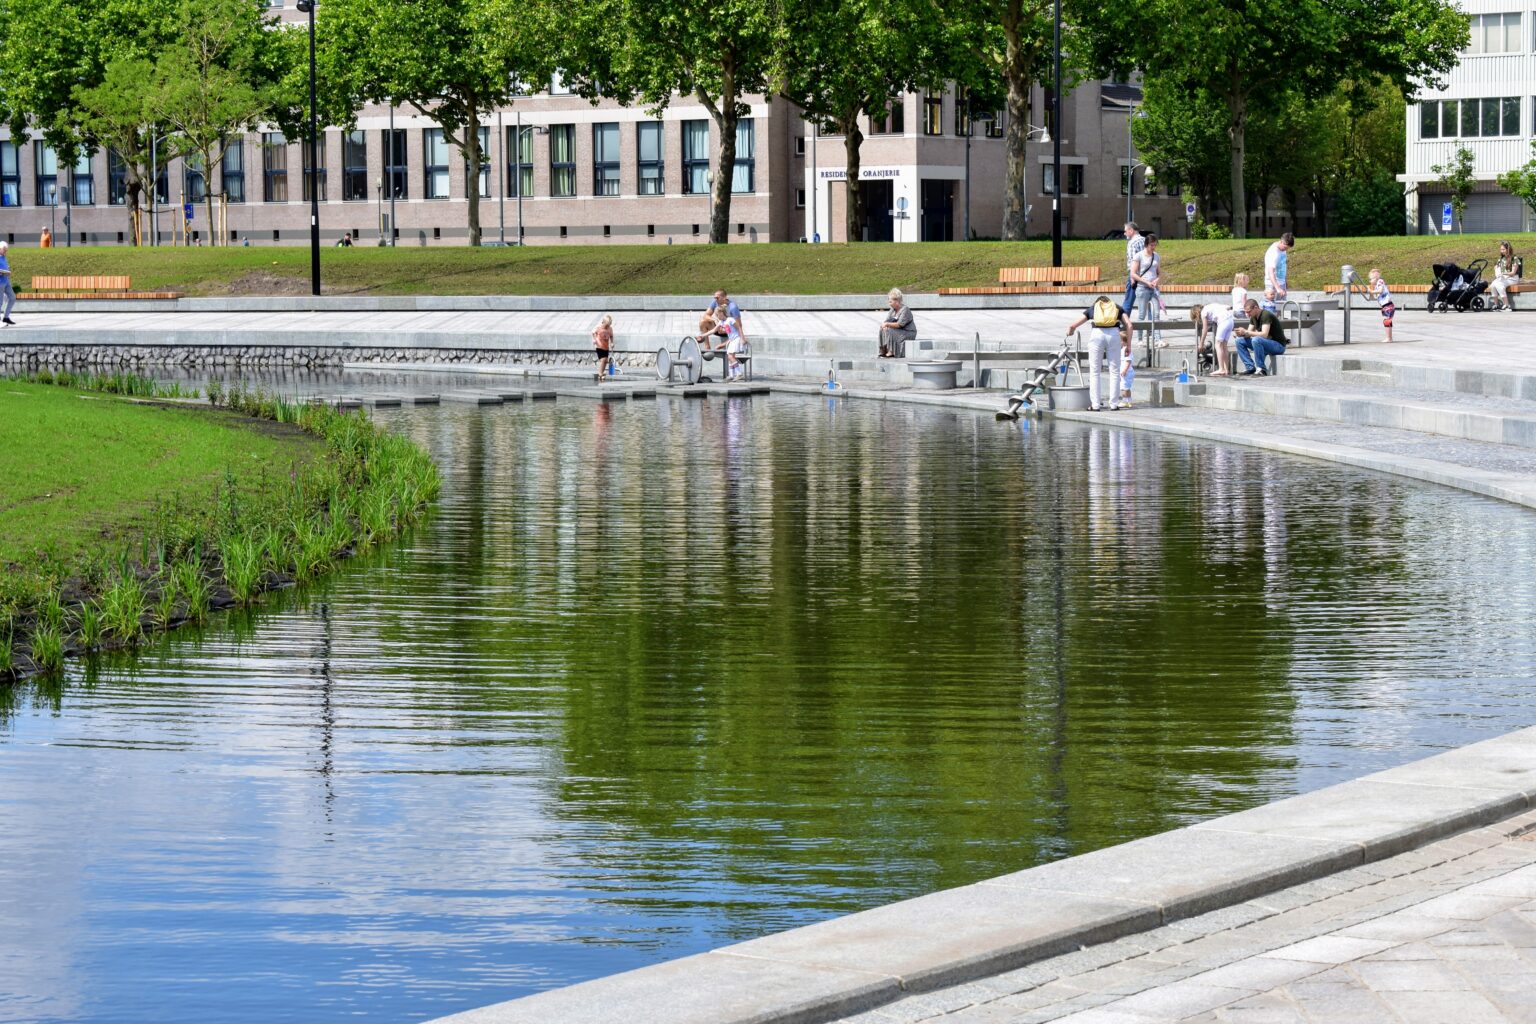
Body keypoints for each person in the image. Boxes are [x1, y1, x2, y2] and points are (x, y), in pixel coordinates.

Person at [1066, 295, 1132, 411]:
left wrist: (1070, 332)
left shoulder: (1094, 308)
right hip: (1114, 335)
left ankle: (1095, 405)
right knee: (1115, 371)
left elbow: (1073, 325)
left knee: (1095, 371)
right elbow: (1129, 325)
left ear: (1099, 303)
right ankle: (1114, 404)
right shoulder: (1117, 308)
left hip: (1097, 334)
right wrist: (1129, 345)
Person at [1234, 298, 1288, 376]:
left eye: (1249, 312)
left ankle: (1261, 369)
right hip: (1266, 344)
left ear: (1256, 308)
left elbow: (1264, 334)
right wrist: (1241, 334)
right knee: (1239, 340)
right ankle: (1250, 367)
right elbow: (1248, 334)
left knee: (1256, 340)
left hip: (1278, 346)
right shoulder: (1253, 317)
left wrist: (1246, 332)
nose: (1247, 314)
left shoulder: (1266, 315)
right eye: (1246, 312)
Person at [1131, 232, 1161, 351]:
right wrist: (1145, 282)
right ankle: (1139, 339)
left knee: (1156, 314)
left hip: (1153, 288)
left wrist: (1157, 281)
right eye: (1151, 245)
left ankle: (1158, 339)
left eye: (1155, 245)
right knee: (1142, 315)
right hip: (1142, 288)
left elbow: (1159, 272)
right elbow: (1133, 273)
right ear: (1146, 245)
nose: (1153, 248)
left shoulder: (1156, 256)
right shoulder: (1139, 256)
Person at [1190, 301, 1234, 376]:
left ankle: (1221, 369)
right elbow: (1228, 306)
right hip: (1230, 321)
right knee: (1224, 346)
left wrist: (1201, 343)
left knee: (1218, 345)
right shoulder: (1211, 306)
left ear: (1196, 313)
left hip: (1223, 322)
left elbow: (1205, 329)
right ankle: (1226, 369)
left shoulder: (1203, 313)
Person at [879, 288, 916, 358]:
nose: (889, 303)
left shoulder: (905, 310)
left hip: (908, 332)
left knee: (890, 330)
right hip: (898, 331)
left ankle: (891, 351)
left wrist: (887, 324)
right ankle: (884, 350)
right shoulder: (892, 310)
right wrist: (885, 325)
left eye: (890, 302)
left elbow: (900, 324)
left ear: (897, 301)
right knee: (882, 329)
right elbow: (887, 321)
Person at [1120, 222, 1145, 314]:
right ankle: (1152, 326)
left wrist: (1132, 278)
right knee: (1149, 302)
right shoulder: (1145, 240)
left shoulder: (1132, 243)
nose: (1124, 233)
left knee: (1128, 302)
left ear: (1131, 230)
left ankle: (1124, 325)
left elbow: (1132, 262)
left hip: (1135, 275)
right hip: (1147, 275)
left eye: (1125, 231)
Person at [1491, 240, 1522, 311]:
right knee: (1493, 285)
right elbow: (1498, 269)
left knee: (1499, 285)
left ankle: (1507, 305)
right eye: (1501, 249)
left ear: (1508, 249)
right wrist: (1496, 269)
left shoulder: (1515, 258)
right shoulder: (1501, 259)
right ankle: (1496, 305)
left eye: (1503, 249)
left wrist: (1503, 274)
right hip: (1504, 277)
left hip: (1513, 278)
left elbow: (1513, 273)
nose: (1502, 251)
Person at [1366, 269, 1394, 343]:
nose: (1370, 281)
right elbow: (1374, 298)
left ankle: (1389, 338)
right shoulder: (1376, 287)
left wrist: (1372, 291)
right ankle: (1389, 338)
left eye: (1370, 279)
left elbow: (1381, 290)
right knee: (1387, 321)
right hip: (1385, 306)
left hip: (1388, 305)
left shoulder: (1380, 281)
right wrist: (1370, 293)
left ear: (1376, 277)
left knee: (1387, 321)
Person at [1264, 232, 1294, 301]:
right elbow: (1270, 272)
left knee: (1281, 308)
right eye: (1285, 247)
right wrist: (1277, 288)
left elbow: (1283, 265)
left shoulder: (1283, 249)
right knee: (1272, 308)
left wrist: (1285, 281)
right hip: (1272, 285)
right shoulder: (1273, 253)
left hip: (1281, 283)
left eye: (1288, 248)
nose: (1286, 250)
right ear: (1281, 241)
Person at [591, 314, 614, 381]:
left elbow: (611, 336)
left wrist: (612, 342)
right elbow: (593, 332)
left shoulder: (610, 329)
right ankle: (600, 373)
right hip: (599, 346)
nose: (607, 327)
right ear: (603, 322)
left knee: (606, 360)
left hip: (606, 347)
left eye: (608, 325)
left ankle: (601, 373)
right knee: (603, 360)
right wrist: (595, 339)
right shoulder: (598, 327)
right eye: (606, 325)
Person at [0, 241, 15, 326]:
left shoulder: (3, 257)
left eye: (6, 249)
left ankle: (6, 317)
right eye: (4, 249)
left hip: (6, 282)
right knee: (0, 302)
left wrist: (7, 272)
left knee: (12, 297)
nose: (6, 251)